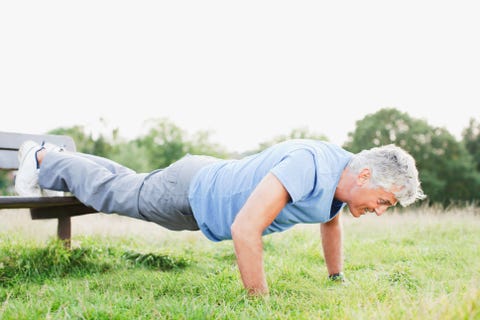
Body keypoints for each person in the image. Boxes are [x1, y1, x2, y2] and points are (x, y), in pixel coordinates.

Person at [15, 139, 425, 295]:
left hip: (201, 194)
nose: (379, 209)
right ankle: (42, 157)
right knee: (114, 194)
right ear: (366, 175)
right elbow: (246, 229)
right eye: (384, 200)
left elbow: (329, 219)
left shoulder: (340, 184)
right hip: (192, 191)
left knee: (127, 186)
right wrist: (259, 302)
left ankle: (59, 160)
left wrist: (336, 277)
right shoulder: (310, 164)